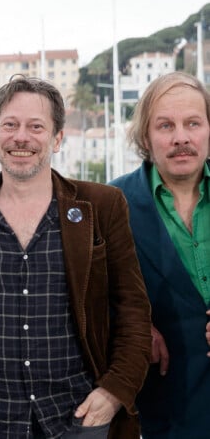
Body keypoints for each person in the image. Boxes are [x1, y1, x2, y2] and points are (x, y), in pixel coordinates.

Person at [0, 75, 151, 439]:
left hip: (79, 418)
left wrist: (115, 390)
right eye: (10, 125)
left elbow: (133, 311)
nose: (21, 137)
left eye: (35, 127)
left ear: (57, 137)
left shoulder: (102, 207)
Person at [110, 71, 210, 439]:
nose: (181, 137)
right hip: (162, 411)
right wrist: (129, 327)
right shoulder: (111, 205)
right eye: (165, 125)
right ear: (146, 137)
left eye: (193, 123)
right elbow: (81, 297)